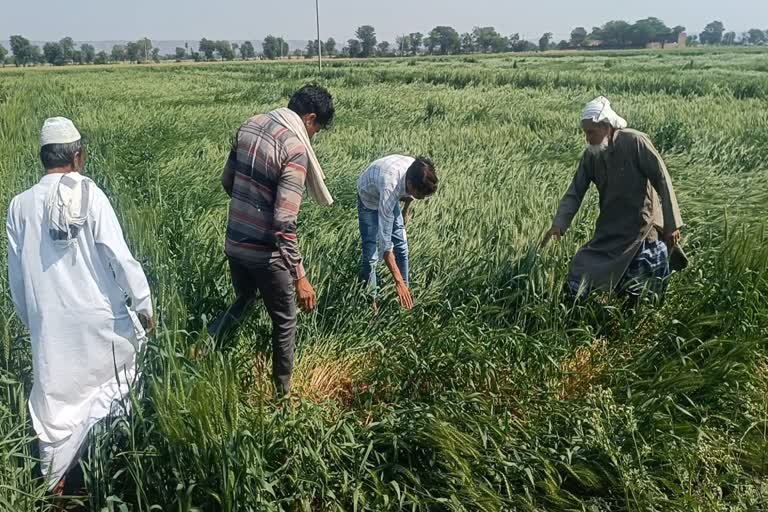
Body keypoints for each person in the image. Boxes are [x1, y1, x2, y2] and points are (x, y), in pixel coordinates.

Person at [6, 117, 155, 494]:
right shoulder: (91, 194)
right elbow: (120, 258)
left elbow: (17, 280)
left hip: (51, 325)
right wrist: (144, 305)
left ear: (43, 158)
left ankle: (55, 486)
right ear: (77, 156)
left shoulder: (19, 206)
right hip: (99, 320)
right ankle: (109, 463)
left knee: (55, 401)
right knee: (119, 378)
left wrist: (34, 321)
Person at [210, 84, 335, 396]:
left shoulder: (249, 125)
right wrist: (300, 278)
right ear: (310, 118)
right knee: (284, 322)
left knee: (244, 300)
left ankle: (205, 346)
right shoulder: (294, 150)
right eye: (317, 129)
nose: (314, 137)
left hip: (235, 242)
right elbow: (283, 222)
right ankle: (282, 398)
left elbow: (228, 180)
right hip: (266, 256)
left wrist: (249, 207)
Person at [541, 97, 683, 302]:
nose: (587, 139)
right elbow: (575, 191)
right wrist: (559, 225)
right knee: (581, 268)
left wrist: (672, 224)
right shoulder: (592, 155)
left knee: (641, 291)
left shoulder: (635, 141)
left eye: (591, 132)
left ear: (606, 126)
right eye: (585, 133)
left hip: (643, 229)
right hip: (610, 229)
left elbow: (662, 179)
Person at [356, 155, 438, 309]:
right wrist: (397, 281)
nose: (421, 198)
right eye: (419, 195)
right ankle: (372, 304)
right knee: (372, 254)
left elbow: (410, 195)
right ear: (410, 184)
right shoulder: (390, 188)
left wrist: (405, 211)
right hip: (369, 197)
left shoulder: (416, 169)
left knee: (402, 246)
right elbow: (386, 247)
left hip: (389, 189)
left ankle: (405, 298)